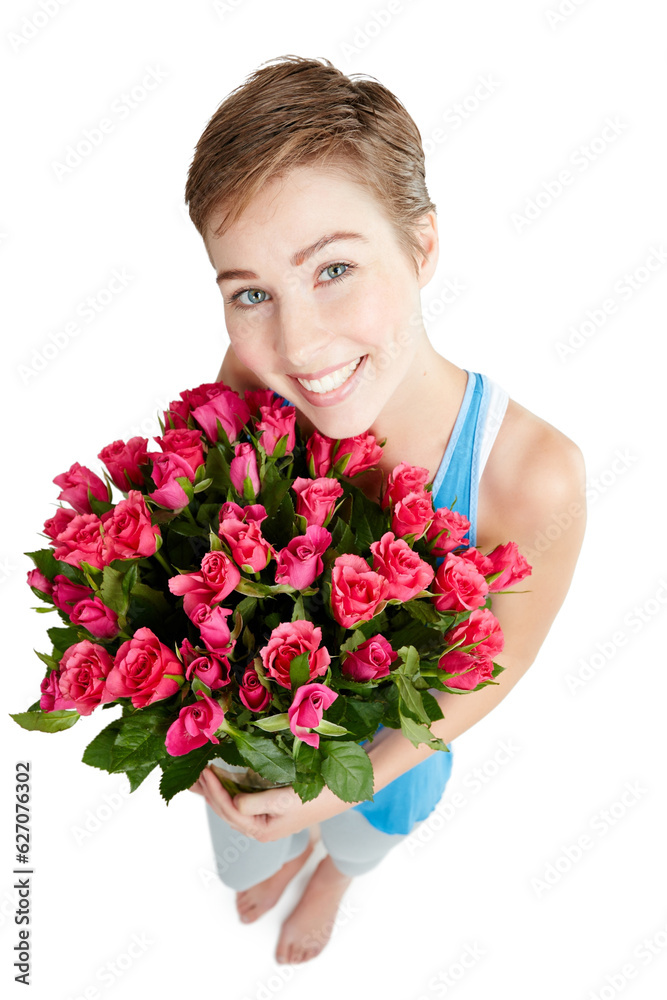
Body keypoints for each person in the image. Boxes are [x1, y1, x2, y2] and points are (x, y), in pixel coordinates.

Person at [185, 54, 586, 965]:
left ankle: (334, 873)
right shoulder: (252, 378)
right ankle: (291, 856)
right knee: (237, 855)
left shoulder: (530, 475)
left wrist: (333, 800)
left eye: (332, 268)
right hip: (258, 735)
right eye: (251, 293)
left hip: (396, 756)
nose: (295, 343)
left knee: (365, 839)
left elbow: (500, 660)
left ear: (422, 245)